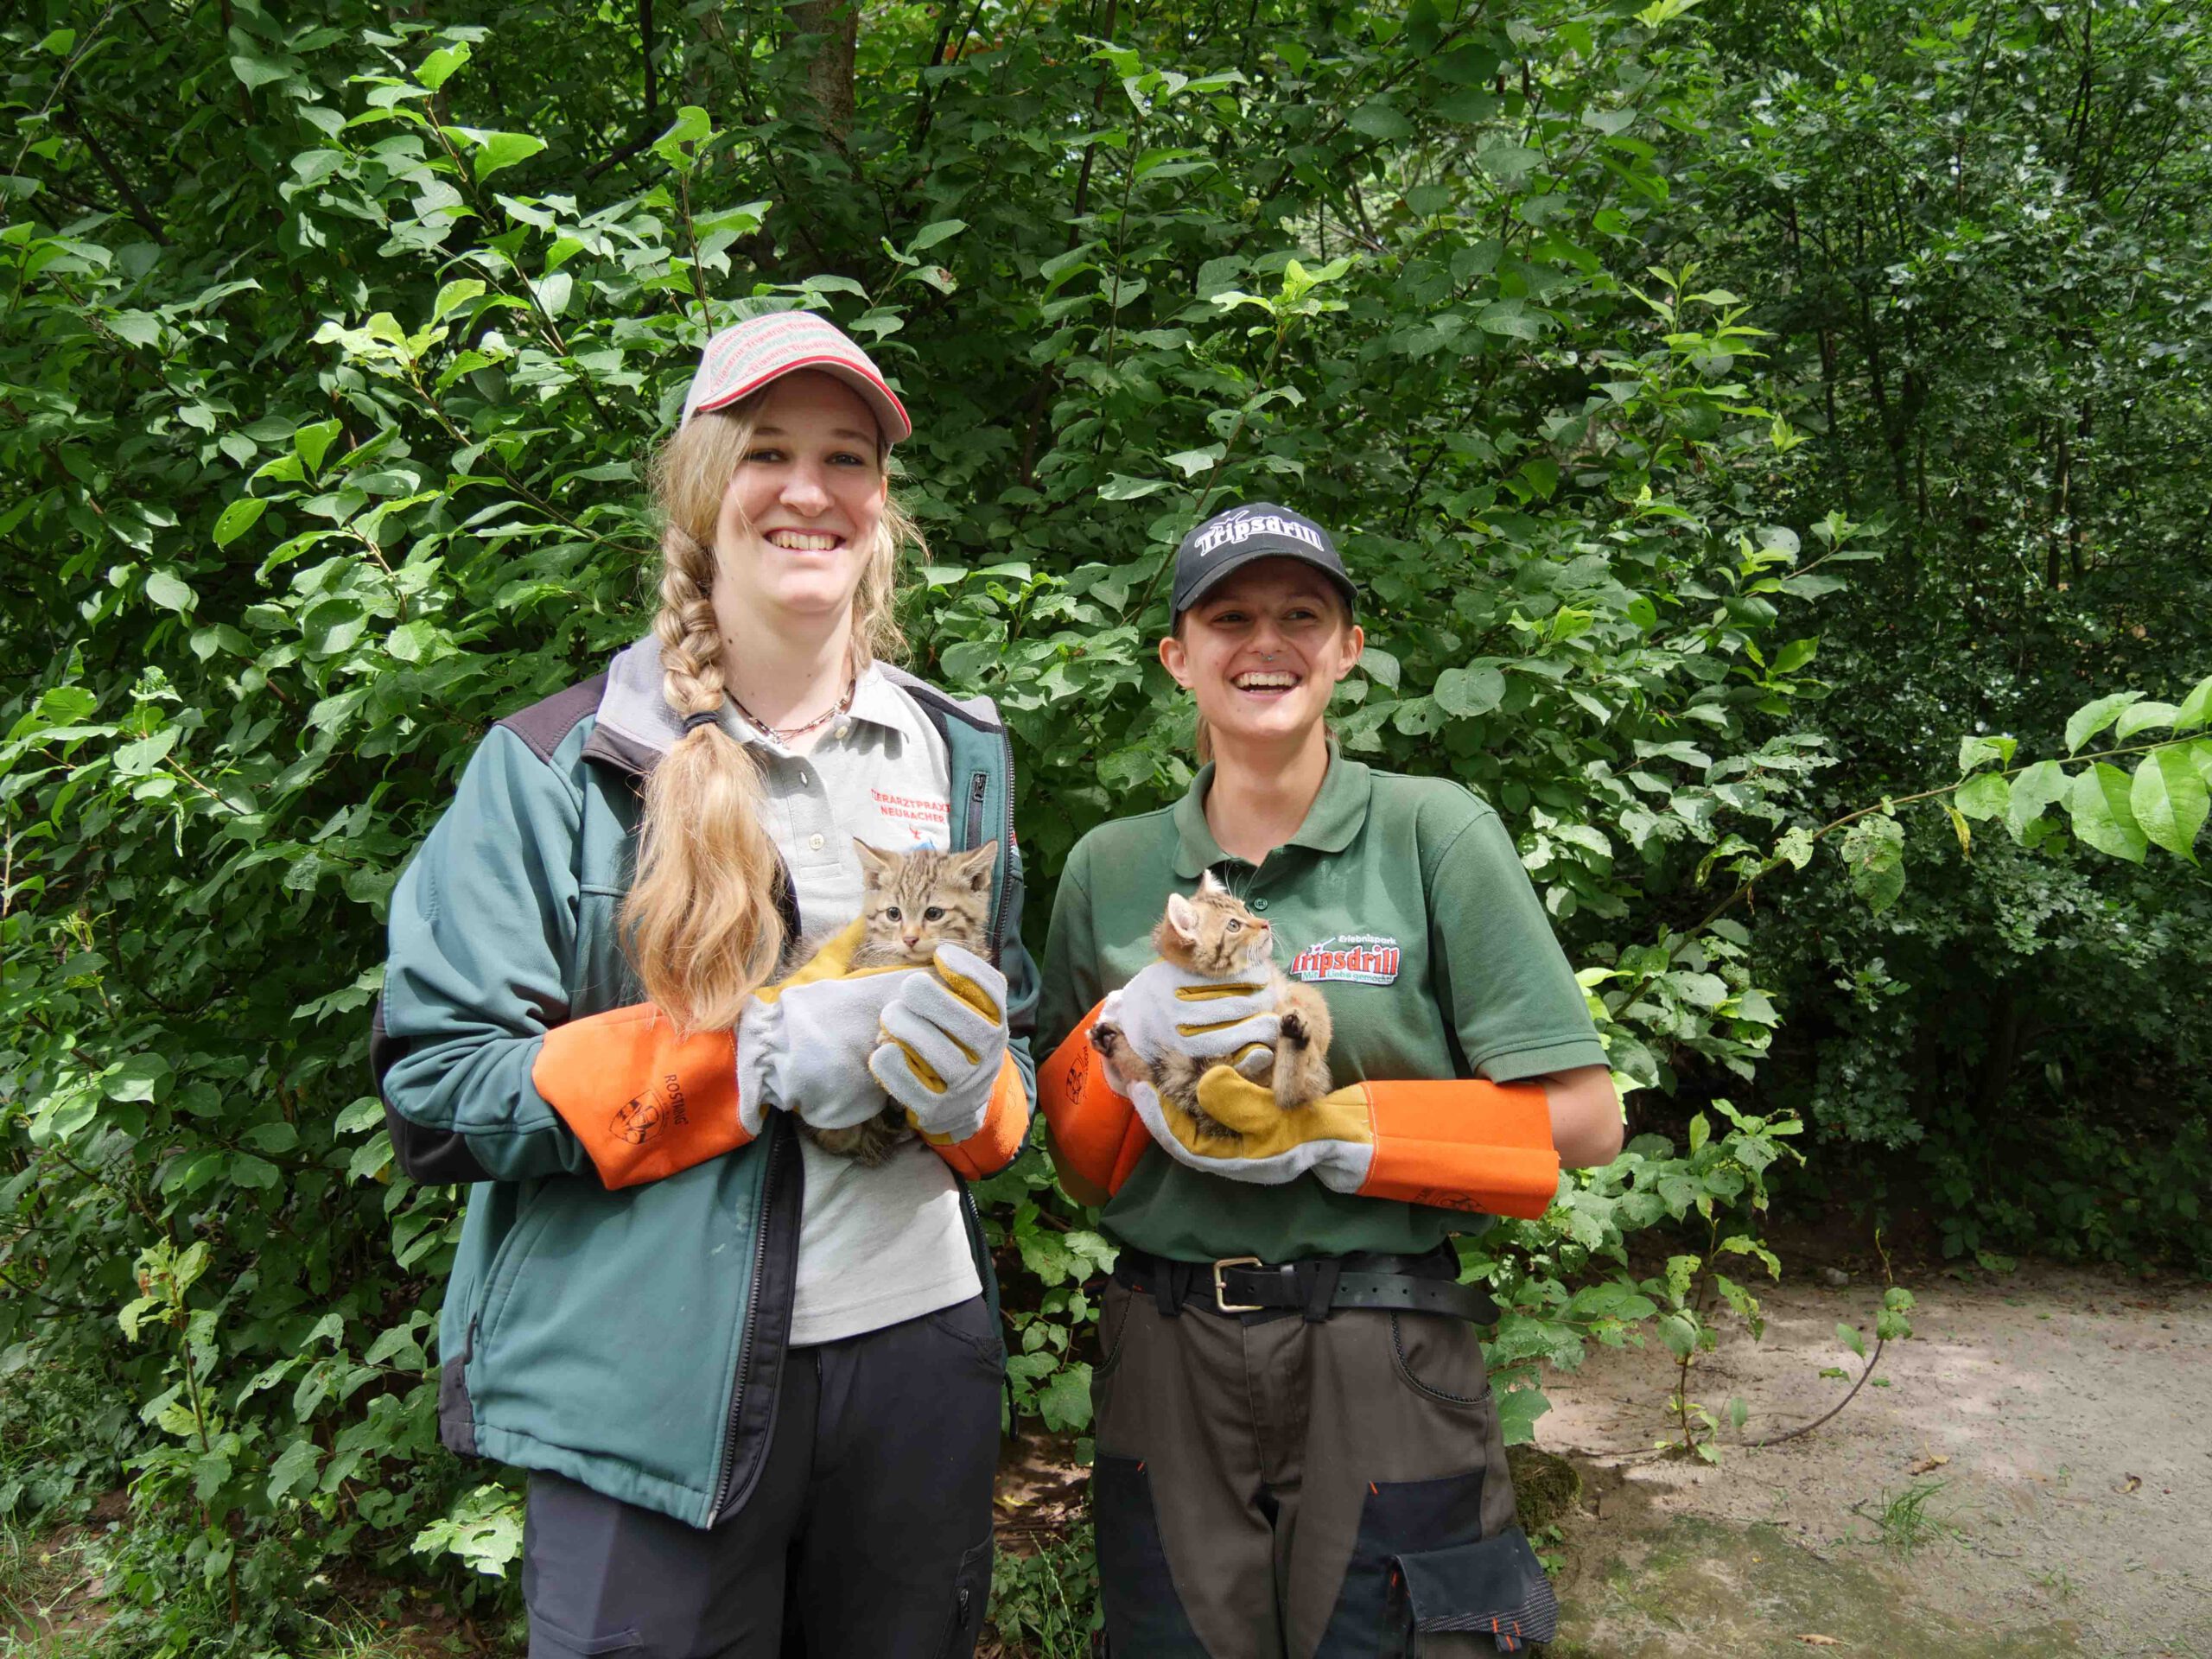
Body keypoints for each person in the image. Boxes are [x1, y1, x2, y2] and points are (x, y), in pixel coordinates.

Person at [373, 312, 1035, 1659]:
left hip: (916, 1365)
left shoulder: (962, 753)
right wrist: (755, 1058)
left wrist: (982, 1091)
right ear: (698, 487)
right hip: (644, 1392)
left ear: (882, 504)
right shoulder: (562, 763)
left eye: (846, 457)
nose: (810, 490)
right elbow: (437, 1090)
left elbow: (1006, 1037)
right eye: (768, 452)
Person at [1037, 502, 1623, 1658]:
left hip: (1382, 1346)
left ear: (1350, 649)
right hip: (1164, 1347)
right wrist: (1117, 1054)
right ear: (1178, 658)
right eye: (1231, 617)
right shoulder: (1108, 871)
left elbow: (1590, 1122)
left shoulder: (1433, 833)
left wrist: (1341, 1133)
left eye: (1303, 616)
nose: (1268, 643)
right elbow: (1074, 1159)